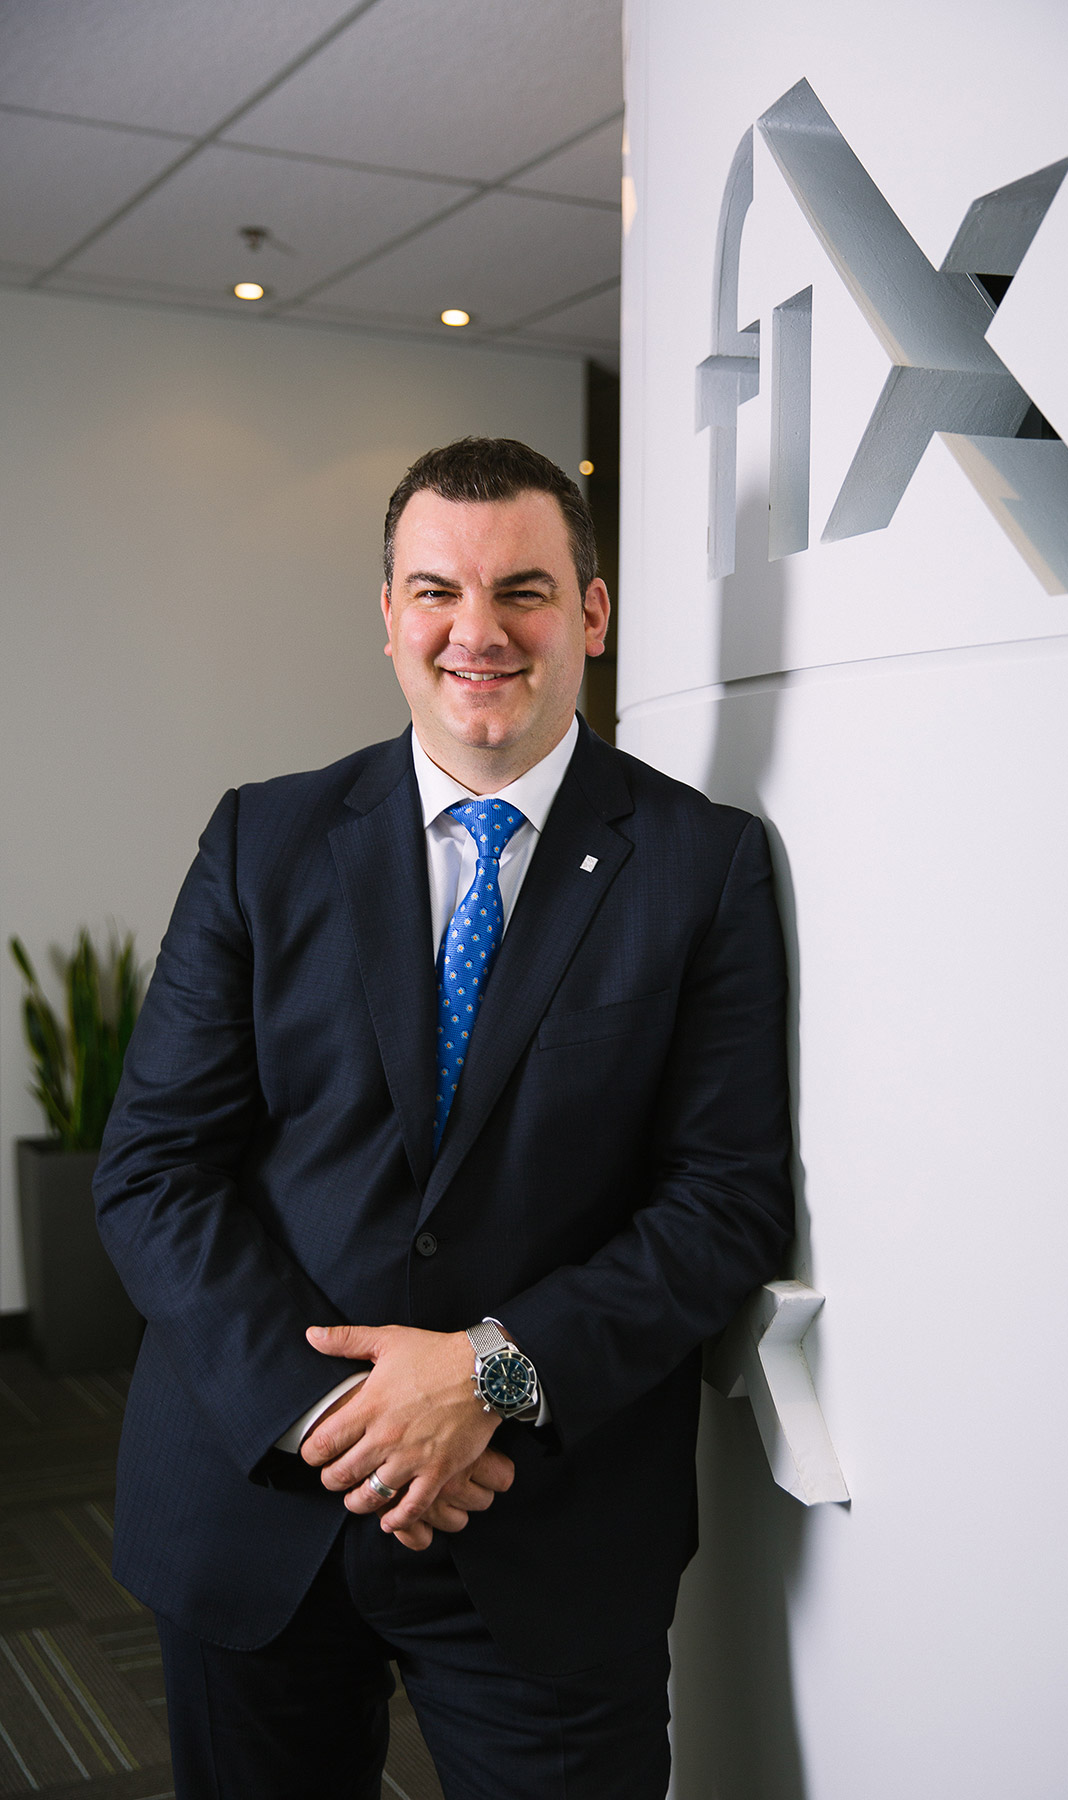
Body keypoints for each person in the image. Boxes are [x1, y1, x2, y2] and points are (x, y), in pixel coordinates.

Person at [94, 437, 793, 1800]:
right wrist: (336, 1413)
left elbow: (724, 1201)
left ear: (591, 613)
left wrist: (488, 1375)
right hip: (259, 1497)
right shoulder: (260, 842)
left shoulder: (700, 866)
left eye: (524, 591)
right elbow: (154, 1171)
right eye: (437, 591)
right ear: (389, 615)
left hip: (544, 1524)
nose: (480, 631)